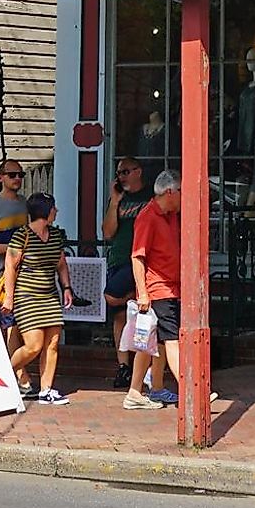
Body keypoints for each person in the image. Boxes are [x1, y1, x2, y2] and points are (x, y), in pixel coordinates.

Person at [4, 194, 73, 405]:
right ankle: (7, 371)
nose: (56, 211)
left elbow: (61, 263)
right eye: (54, 208)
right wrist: (9, 298)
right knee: (34, 345)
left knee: (52, 343)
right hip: (27, 296)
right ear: (45, 211)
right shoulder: (21, 235)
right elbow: (10, 266)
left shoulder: (55, 235)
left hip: (50, 295)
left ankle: (47, 389)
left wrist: (67, 288)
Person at [123, 170, 184, 410]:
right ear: (170, 192)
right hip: (159, 288)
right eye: (180, 192)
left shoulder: (170, 215)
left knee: (152, 343)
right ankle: (191, 390)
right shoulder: (148, 216)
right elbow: (138, 256)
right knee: (171, 340)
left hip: (172, 286)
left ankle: (145, 390)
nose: (183, 197)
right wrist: (143, 292)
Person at [101, 157, 154, 385]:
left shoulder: (150, 197)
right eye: (119, 173)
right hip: (120, 258)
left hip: (144, 258)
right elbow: (108, 233)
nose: (121, 177)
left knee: (144, 314)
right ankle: (123, 366)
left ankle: (148, 371)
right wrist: (114, 202)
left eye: (125, 172)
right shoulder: (119, 200)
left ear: (138, 172)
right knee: (120, 312)